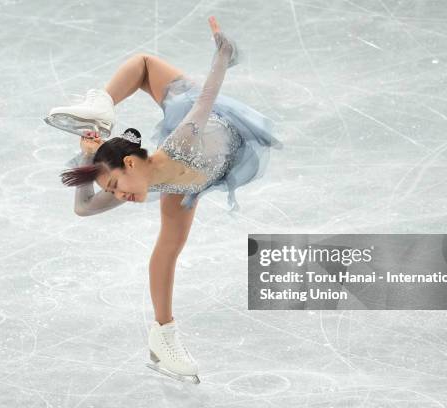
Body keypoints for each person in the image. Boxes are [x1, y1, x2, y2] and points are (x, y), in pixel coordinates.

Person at [47, 16, 282, 384]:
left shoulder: (182, 141)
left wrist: (223, 54)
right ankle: (163, 338)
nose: (118, 196)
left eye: (114, 185)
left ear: (128, 163)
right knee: (168, 248)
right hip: (185, 183)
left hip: (210, 127)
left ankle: (102, 105)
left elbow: (207, 97)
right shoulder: (149, 186)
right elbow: (83, 208)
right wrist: (84, 158)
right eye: (112, 192)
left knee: (144, 66)